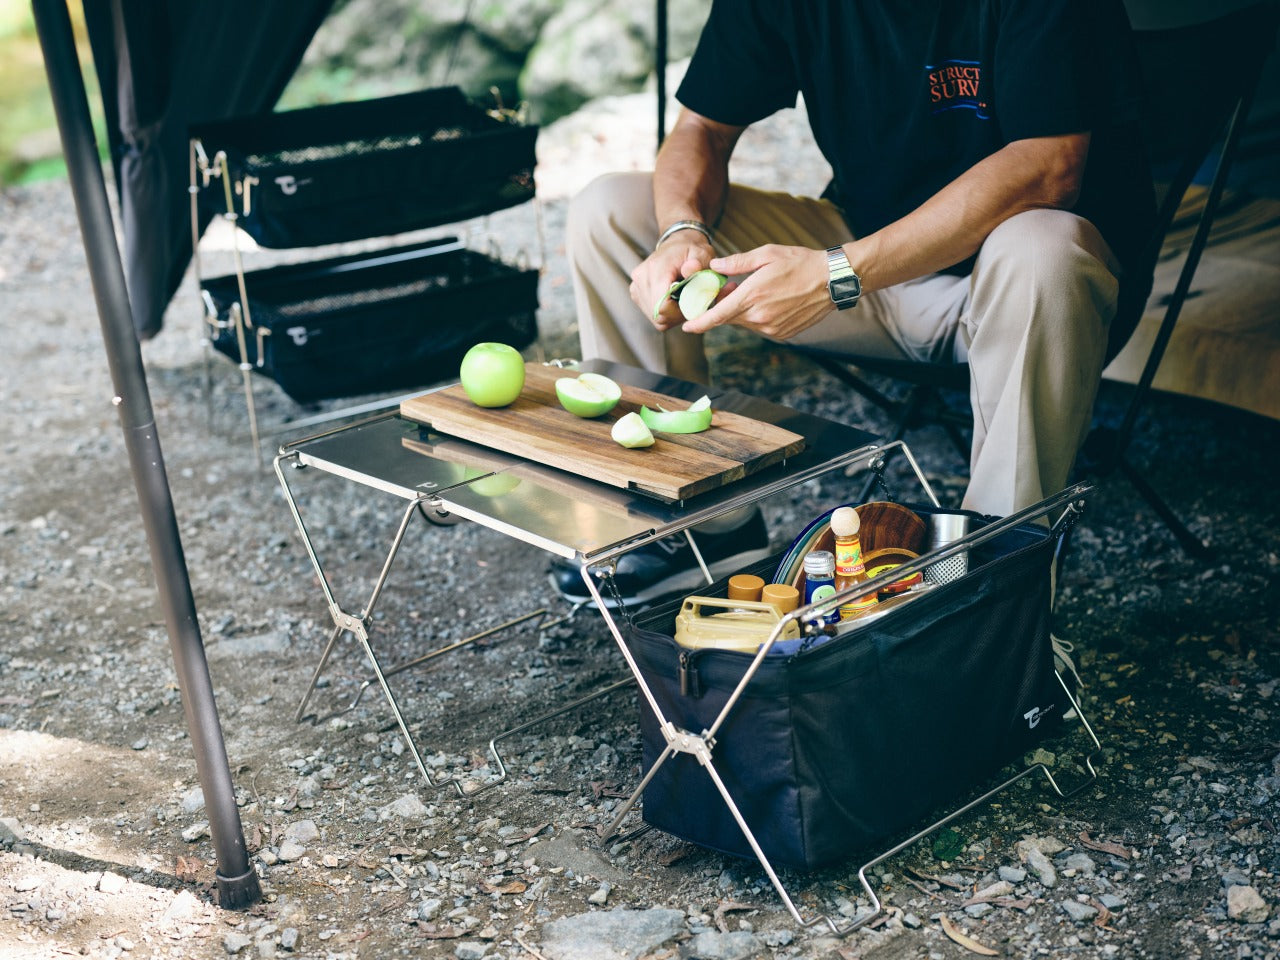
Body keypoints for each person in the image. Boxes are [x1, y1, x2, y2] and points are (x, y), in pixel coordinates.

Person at [552, 0, 1155, 608]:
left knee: (1042, 247)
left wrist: (840, 273)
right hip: (860, 259)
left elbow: (1049, 168)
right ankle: (696, 529)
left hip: (1023, 294)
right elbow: (700, 129)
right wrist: (682, 232)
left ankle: (994, 594)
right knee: (612, 212)